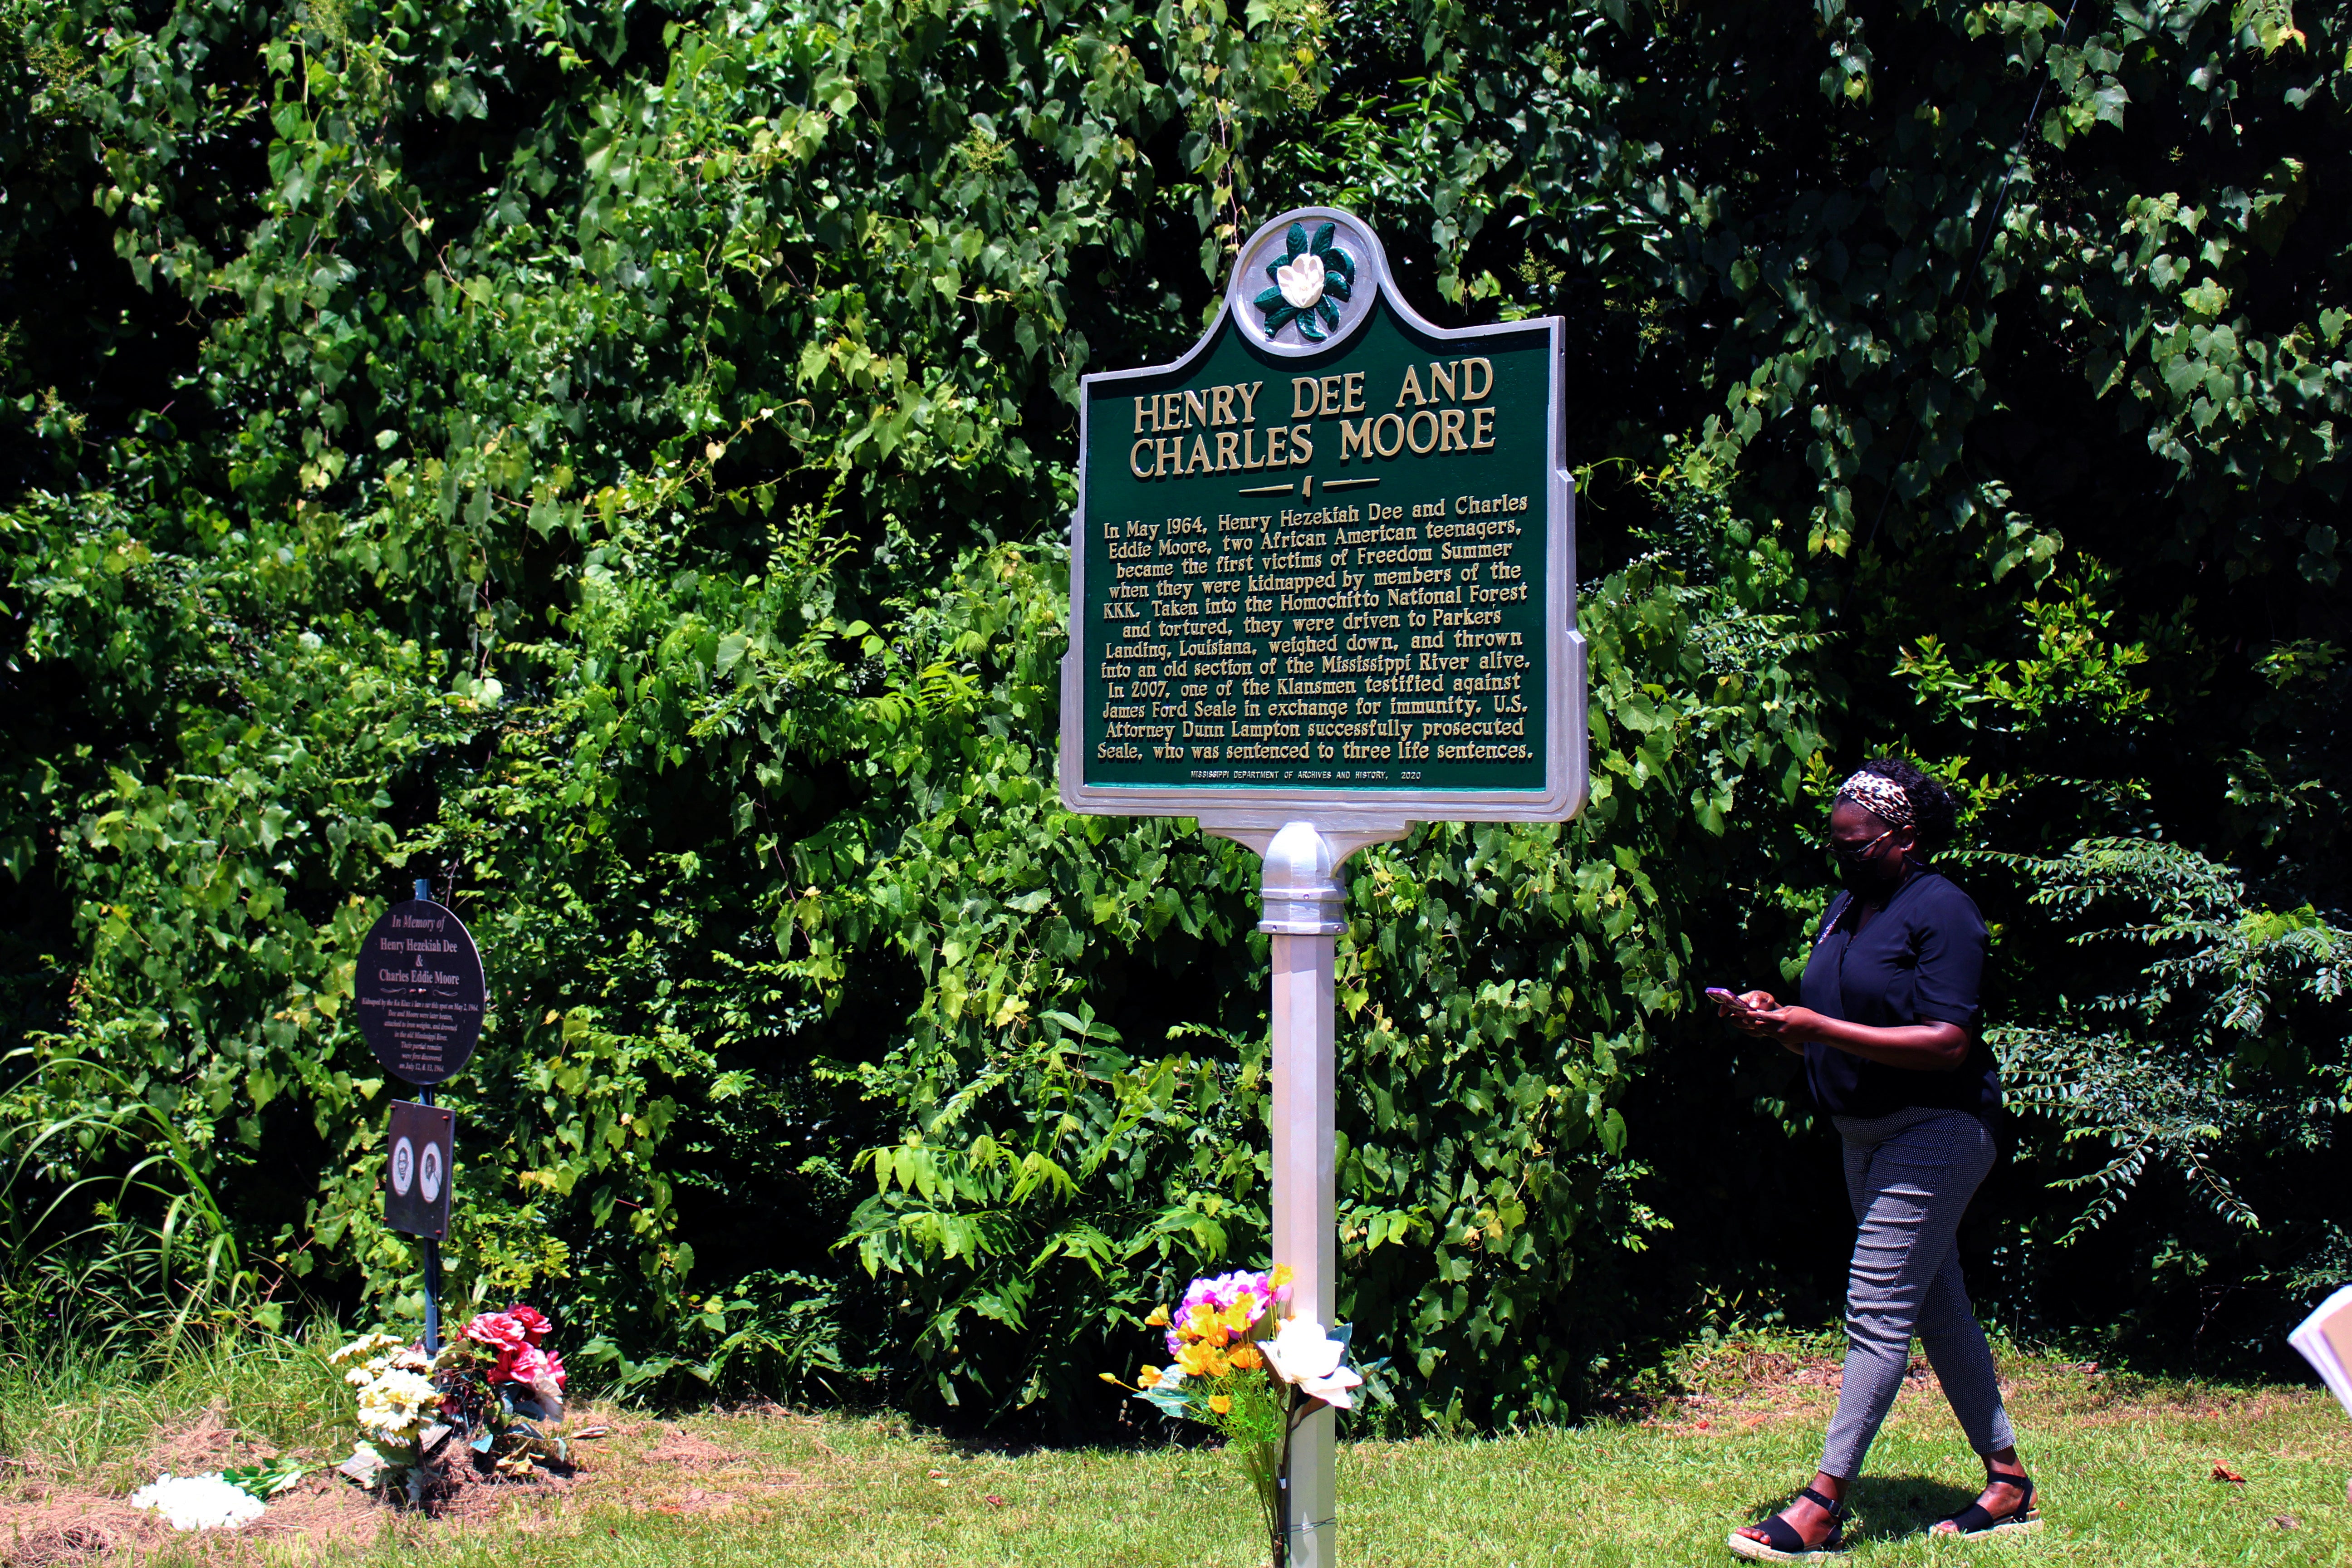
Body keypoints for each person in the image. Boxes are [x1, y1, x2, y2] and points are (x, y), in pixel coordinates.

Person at [1720, 759, 2038, 1562]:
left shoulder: (1944, 910)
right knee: (1936, 1308)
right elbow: (1829, 1014)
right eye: (1835, 840)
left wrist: (1816, 1030)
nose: (1843, 852)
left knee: (1878, 1308)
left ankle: (1823, 1504)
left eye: (1856, 842)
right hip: (1863, 1135)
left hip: (1936, 1128)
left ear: (1903, 839)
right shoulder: (1846, 908)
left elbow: (1947, 1041)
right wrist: (1774, 1016)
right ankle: (2007, 1481)